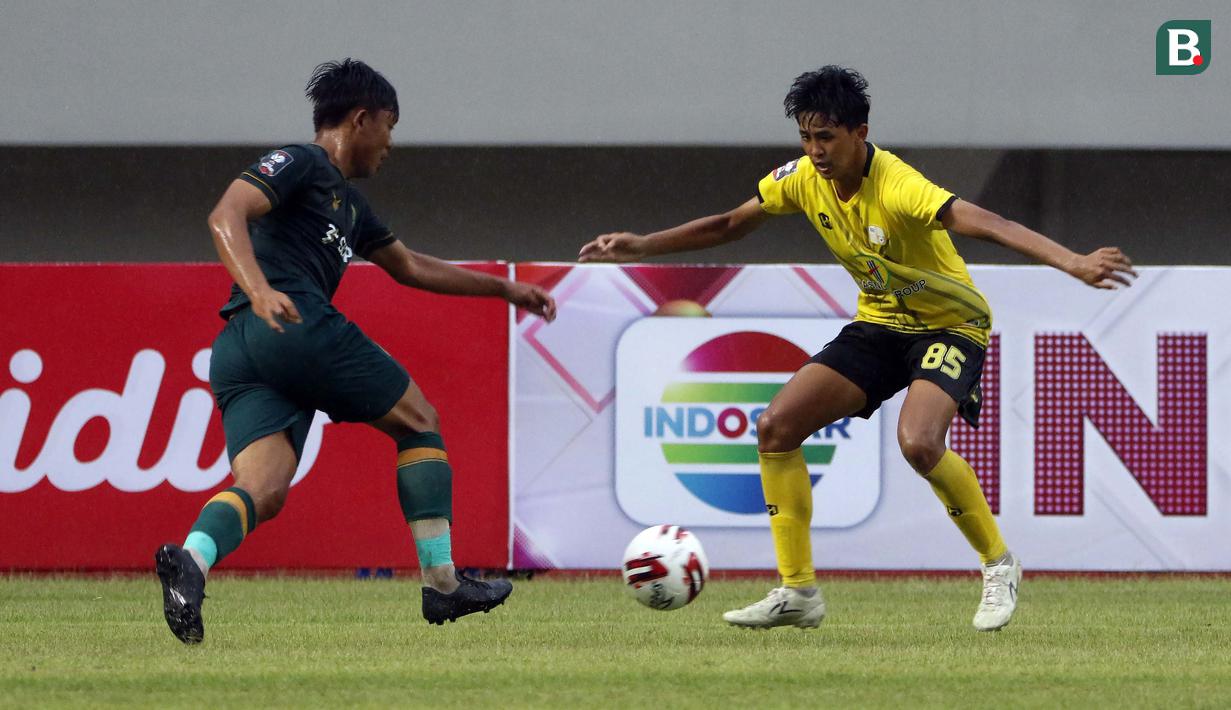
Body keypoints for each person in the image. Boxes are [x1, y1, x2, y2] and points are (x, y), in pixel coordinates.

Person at [579, 66, 1135, 631]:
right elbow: (729, 223)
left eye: (826, 137)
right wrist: (643, 244)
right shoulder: (801, 178)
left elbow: (985, 222)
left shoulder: (897, 184)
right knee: (776, 427)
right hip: (880, 326)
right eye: (806, 137)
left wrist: (1073, 261)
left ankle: (999, 564)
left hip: (950, 326)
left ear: (859, 132)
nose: (815, 151)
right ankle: (798, 594)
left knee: (919, 443)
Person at [155, 59, 556, 644]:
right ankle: (444, 584)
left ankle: (191, 561)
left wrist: (503, 288)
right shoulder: (300, 162)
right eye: (390, 126)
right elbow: (226, 213)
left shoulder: (352, 207)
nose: (391, 144)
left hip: (243, 351)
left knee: (263, 491)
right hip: (290, 322)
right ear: (362, 119)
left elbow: (411, 266)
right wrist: (262, 289)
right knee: (420, 422)